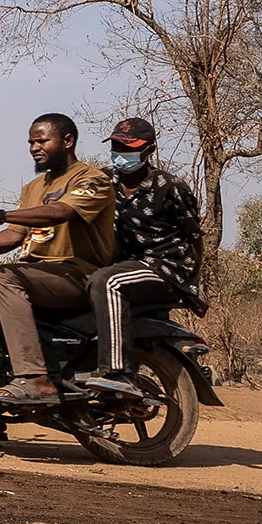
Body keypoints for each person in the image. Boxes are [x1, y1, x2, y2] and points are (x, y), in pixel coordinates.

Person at [0, 113, 116, 409]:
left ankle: (35, 378)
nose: (35, 147)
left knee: (2, 276)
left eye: (42, 140)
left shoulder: (91, 179)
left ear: (67, 141)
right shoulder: (33, 188)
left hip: (75, 274)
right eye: (31, 142)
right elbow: (12, 237)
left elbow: (60, 213)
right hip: (37, 275)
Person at [81, 116, 203, 393]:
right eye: (116, 147)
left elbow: (195, 238)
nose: (120, 154)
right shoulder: (103, 181)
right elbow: (74, 204)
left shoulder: (170, 187)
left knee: (106, 282)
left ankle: (117, 372)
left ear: (149, 151)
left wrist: (189, 285)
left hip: (165, 268)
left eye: (128, 148)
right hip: (125, 264)